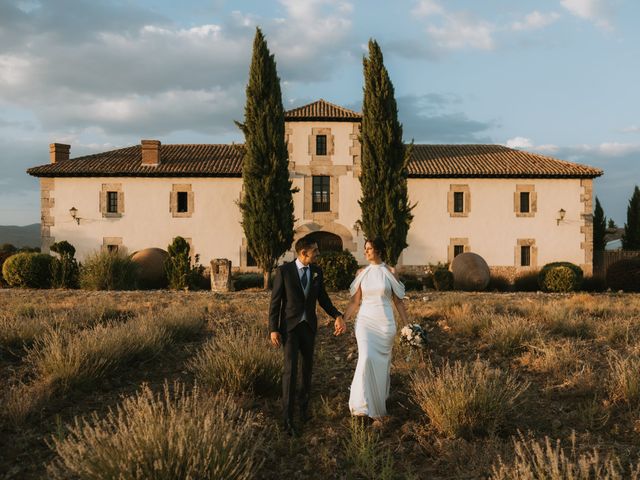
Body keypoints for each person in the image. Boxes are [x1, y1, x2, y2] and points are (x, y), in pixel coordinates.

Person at [269, 237, 347, 436]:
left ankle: (303, 411)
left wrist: (337, 314)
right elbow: (275, 302)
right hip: (290, 328)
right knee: (290, 371)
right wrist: (273, 329)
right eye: (315, 251)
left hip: (309, 327)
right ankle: (287, 418)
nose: (318, 254)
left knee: (307, 369)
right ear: (304, 253)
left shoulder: (316, 272)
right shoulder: (284, 272)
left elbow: (323, 299)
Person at [343, 237, 409, 419]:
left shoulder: (390, 272)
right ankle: (361, 405)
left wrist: (408, 327)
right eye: (365, 249)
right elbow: (355, 301)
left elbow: (399, 302)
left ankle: (377, 403)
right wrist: (343, 319)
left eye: (369, 248)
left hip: (385, 324)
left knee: (381, 365)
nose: (366, 252)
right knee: (365, 357)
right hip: (365, 321)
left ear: (379, 250)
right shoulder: (361, 273)